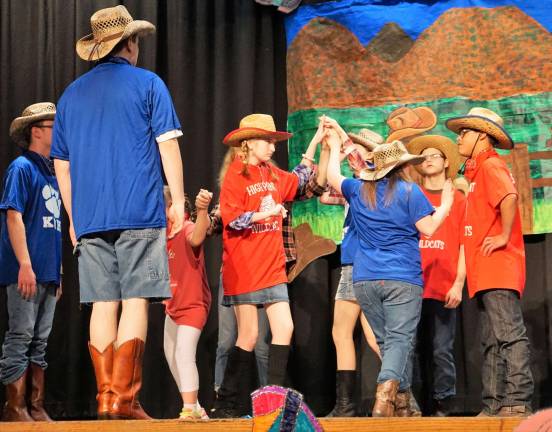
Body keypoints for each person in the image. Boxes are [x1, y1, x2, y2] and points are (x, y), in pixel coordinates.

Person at [51, 5, 185, 420]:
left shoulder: (71, 96)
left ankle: (106, 397)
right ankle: (124, 400)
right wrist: (178, 200)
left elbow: (62, 166)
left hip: (90, 218)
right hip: (139, 212)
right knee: (136, 301)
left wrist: (73, 218)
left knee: (103, 304)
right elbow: (167, 145)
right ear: (129, 43)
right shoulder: (148, 84)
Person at [325, 128, 454, 417]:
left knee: (387, 342)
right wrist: (445, 205)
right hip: (402, 278)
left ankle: (404, 404)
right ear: (402, 167)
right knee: (398, 341)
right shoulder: (410, 191)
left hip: (365, 279)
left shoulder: (358, 189)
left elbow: (333, 175)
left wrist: (334, 147)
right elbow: (429, 227)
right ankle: (384, 398)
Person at [212, 113, 317, 418]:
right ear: (247, 144)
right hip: (244, 266)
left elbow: (299, 179)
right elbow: (232, 218)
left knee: (285, 327)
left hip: (272, 266)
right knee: (247, 336)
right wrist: (265, 214)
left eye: (273, 141)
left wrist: (315, 143)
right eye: (266, 141)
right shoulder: (235, 174)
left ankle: (273, 403)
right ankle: (226, 403)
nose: (272, 147)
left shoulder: (271, 174)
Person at [446, 107, 533, 417]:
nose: (459, 138)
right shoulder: (475, 171)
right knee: (491, 340)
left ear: (482, 135)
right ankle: (493, 402)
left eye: (465, 132)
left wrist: (503, 235)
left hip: (499, 266)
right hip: (484, 271)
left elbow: (509, 196)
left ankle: (518, 399)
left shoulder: (492, 165)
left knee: (508, 334)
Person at [0, 103, 61, 422]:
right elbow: (14, 216)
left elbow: (54, 226)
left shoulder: (53, 172)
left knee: (40, 339)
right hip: (26, 269)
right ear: (36, 131)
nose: (58, 131)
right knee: (21, 334)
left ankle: (35, 405)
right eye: (53, 126)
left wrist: (58, 271)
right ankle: (15, 406)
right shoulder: (22, 168)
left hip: (47, 271)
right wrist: (25, 263)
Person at [319, 124, 382, 417]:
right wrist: (329, 149)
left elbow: (349, 167)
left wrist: (339, 139)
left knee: (372, 335)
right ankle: (346, 406)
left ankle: (404, 395)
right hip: (354, 264)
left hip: (360, 263)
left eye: (358, 148)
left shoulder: (367, 184)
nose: (351, 152)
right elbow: (323, 192)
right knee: (345, 331)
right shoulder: (353, 187)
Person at [408, 134, 466, 416]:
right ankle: (416, 404)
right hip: (412, 286)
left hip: (444, 287)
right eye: (425, 156)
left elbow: (465, 244)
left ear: (445, 163)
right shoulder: (411, 195)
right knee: (412, 349)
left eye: (434, 155)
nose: (429, 160)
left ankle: (444, 404)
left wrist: (458, 283)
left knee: (442, 350)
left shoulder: (458, 200)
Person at [163, 187, 212, 420]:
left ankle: (189, 408)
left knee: (184, 353)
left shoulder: (187, 229)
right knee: (171, 355)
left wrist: (202, 210)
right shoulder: (162, 236)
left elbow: (199, 235)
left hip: (194, 305)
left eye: (167, 206)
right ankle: (197, 407)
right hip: (173, 307)